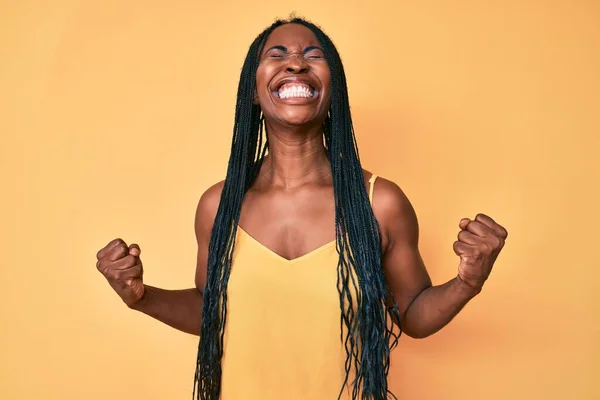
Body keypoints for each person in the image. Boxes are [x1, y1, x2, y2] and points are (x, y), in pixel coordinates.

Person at [95, 17, 508, 400]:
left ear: (334, 89)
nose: (295, 63)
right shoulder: (219, 206)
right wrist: (141, 297)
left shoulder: (379, 202)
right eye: (276, 55)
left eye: (314, 55)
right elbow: (211, 311)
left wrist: (467, 282)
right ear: (254, 93)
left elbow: (414, 315)